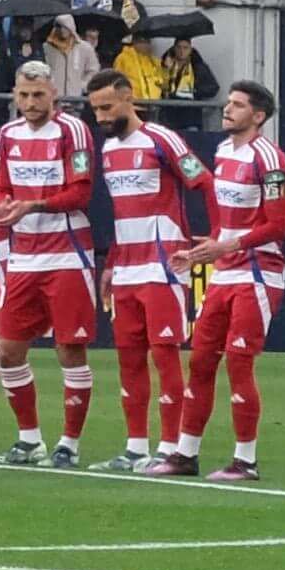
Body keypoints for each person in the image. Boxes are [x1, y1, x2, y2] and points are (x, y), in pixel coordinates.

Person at [0, 60, 106, 469]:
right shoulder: (8, 134)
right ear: (15, 95)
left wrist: (31, 204)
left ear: (54, 94)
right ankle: (29, 440)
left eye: (38, 95)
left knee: (70, 349)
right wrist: (3, 206)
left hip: (67, 253)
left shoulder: (73, 131)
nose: (31, 103)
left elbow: (80, 194)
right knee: (8, 350)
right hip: (23, 256)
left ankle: (69, 444)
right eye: (24, 95)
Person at [86, 69, 203, 476]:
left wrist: (217, 241)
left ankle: (171, 448)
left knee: (165, 355)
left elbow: (203, 182)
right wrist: (112, 263)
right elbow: (123, 213)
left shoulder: (161, 139)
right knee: (129, 357)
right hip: (127, 268)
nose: (101, 116)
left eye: (107, 107)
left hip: (163, 265)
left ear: (128, 97)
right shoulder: (108, 149)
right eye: (95, 109)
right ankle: (136, 447)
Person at [173, 79, 285, 482]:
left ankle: (245, 460)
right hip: (225, 271)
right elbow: (225, 219)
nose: (227, 109)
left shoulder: (269, 159)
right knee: (201, 359)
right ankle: (185, 454)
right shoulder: (223, 151)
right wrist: (207, 247)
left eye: (238, 105)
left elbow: (278, 225)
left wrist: (228, 245)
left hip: (257, 272)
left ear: (258, 116)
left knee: (239, 362)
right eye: (228, 102)